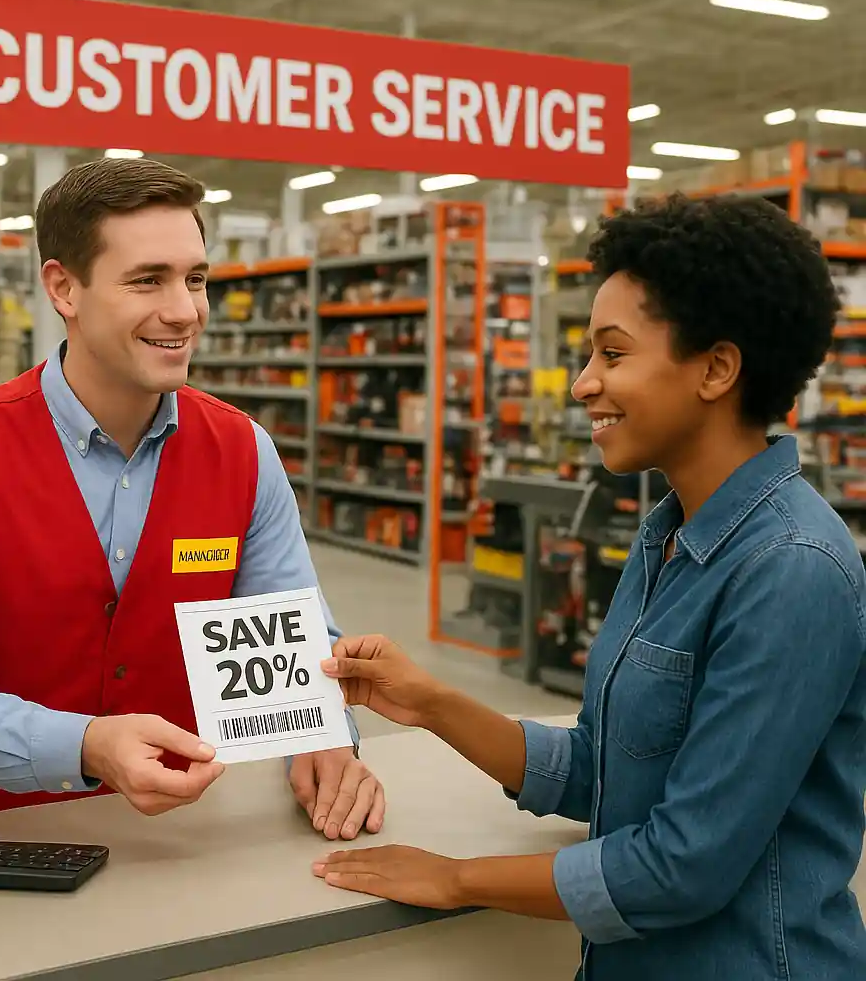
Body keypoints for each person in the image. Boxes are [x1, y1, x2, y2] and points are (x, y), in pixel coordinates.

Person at [312, 193, 866, 979]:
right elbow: (607, 773)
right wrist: (431, 705)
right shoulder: (670, 534)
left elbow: (685, 865)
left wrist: (455, 878)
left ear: (716, 368)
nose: (582, 385)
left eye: (612, 354)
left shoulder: (792, 570)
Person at [0, 158, 384, 842]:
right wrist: (84, 745)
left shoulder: (242, 453)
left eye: (195, 278)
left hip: (189, 843)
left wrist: (321, 735)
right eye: (148, 280)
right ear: (64, 288)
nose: (184, 310)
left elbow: (293, 655)